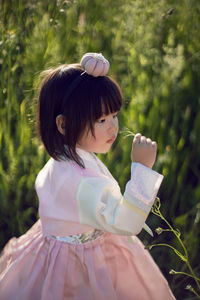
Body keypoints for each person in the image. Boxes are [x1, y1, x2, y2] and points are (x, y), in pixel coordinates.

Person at [0, 53, 175, 300]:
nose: (113, 126)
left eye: (114, 115)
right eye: (101, 119)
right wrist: (142, 170)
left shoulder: (62, 159)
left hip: (54, 247)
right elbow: (126, 224)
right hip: (81, 262)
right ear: (63, 125)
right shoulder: (85, 184)